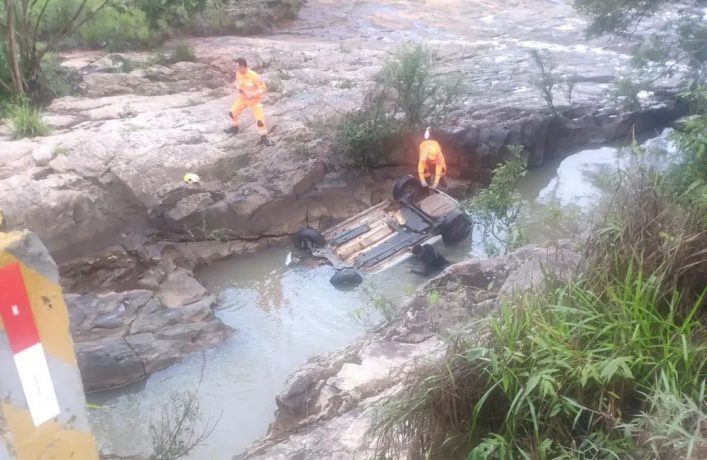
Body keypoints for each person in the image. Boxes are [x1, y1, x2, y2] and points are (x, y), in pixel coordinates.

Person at [225, 57, 274, 146]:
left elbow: (263, 88)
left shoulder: (254, 76)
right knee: (232, 112)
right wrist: (239, 89)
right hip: (243, 99)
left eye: (237, 67)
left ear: (243, 66)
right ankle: (234, 127)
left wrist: (253, 94)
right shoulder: (238, 73)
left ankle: (264, 139)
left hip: (254, 101)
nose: (235, 69)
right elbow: (238, 83)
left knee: (260, 121)